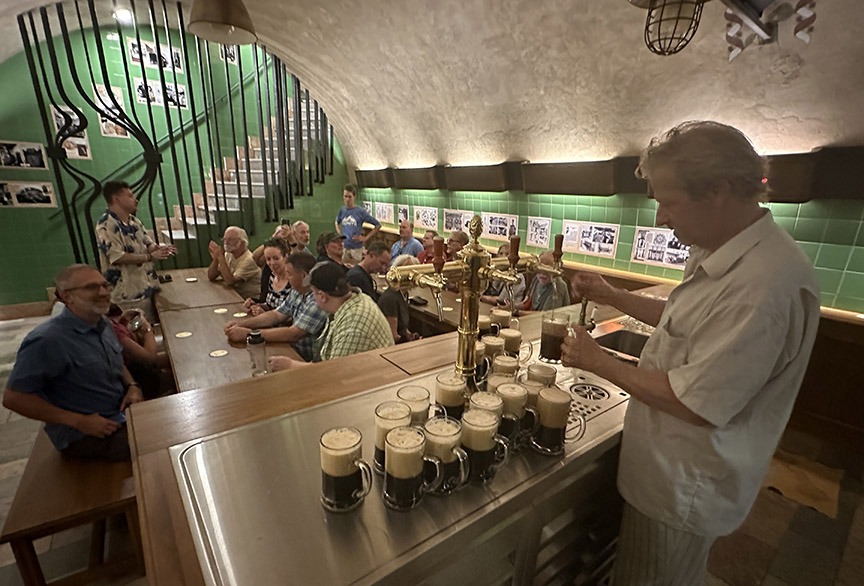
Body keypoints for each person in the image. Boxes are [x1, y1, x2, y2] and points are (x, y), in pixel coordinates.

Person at [561, 121, 820, 586]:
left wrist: (599, 362)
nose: (662, 218)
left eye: (668, 201)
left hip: (683, 486)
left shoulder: (763, 286)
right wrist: (612, 293)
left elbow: (694, 402)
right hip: (668, 471)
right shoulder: (720, 248)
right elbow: (685, 321)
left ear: (718, 190)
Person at [3, 265, 145, 461]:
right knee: (161, 444)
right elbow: (14, 398)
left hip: (120, 414)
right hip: (86, 435)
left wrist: (132, 386)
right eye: (91, 288)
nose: (103, 292)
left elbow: (116, 361)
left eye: (105, 285)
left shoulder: (101, 324)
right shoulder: (48, 340)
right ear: (66, 296)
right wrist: (79, 421)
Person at [268, 261, 393, 370]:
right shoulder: (354, 300)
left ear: (322, 296)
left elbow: (334, 373)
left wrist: (290, 365)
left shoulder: (353, 327)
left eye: (313, 293)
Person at [224, 252, 327, 362]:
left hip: (305, 359)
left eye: (289, 273)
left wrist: (250, 334)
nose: (286, 277)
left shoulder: (317, 299)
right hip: (290, 348)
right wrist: (240, 324)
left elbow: (294, 334)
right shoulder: (298, 291)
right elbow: (277, 314)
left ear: (303, 276)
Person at [95, 180, 176, 318]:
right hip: (126, 293)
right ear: (117, 199)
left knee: (150, 327)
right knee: (134, 332)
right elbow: (117, 257)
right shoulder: (106, 224)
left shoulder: (134, 221)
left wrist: (159, 249)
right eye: (130, 196)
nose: (135, 200)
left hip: (145, 285)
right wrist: (150, 257)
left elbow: (148, 243)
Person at [107, 304, 172, 399]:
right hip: (137, 376)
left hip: (137, 368)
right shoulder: (110, 330)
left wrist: (123, 321)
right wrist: (147, 329)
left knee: (175, 359)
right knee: (174, 375)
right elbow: (150, 358)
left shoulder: (108, 323)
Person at [207, 226, 261, 300]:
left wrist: (220, 256)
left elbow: (230, 281)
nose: (226, 242)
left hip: (250, 299)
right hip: (233, 295)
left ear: (242, 242)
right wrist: (216, 259)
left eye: (230, 240)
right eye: (225, 239)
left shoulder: (249, 259)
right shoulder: (228, 254)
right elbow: (211, 276)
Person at [378, 255, 421, 344]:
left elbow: (403, 328)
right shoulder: (390, 299)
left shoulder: (403, 294)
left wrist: (411, 336)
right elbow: (393, 337)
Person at [335, 183, 380, 265]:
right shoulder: (342, 210)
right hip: (344, 247)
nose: (347, 199)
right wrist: (340, 234)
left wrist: (365, 238)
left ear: (354, 197)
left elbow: (377, 225)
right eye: (345, 196)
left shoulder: (360, 211)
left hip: (356, 248)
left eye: (349, 197)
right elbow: (337, 222)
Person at [246, 239, 293, 315]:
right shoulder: (271, 276)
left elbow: (291, 316)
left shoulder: (293, 281)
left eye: (276, 258)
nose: (272, 263)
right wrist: (256, 304)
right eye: (268, 259)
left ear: (286, 257)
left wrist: (265, 313)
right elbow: (271, 306)